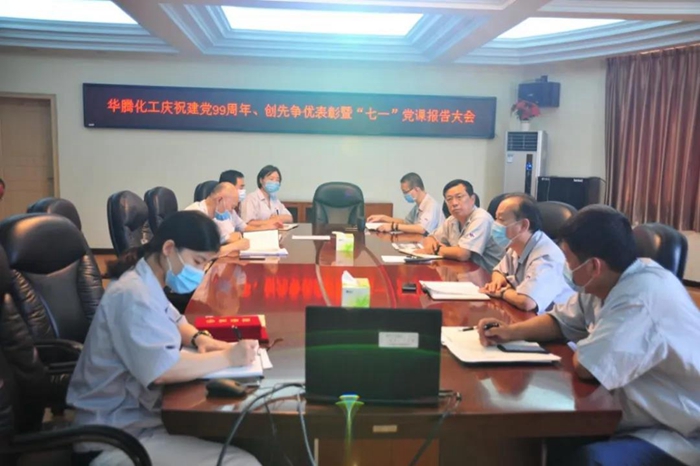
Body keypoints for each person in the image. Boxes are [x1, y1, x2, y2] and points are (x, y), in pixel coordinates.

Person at [477, 206, 700, 466]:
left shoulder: (642, 298)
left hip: (678, 431)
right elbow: (560, 320)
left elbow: (587, 367)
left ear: (593, 266)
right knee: (543, 438)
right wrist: (509, 332)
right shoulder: (608, 280)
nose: (566, 266)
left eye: (568, 259)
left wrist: (584, 344)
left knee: (590, 460)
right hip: (631, 412)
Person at [67, 211, 261, 465]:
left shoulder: (146, 281)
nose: (200, 271)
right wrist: (228, 357)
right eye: (197, 261)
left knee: (242, 441)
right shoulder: (132, 294)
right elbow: (163, 368)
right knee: (242, 462)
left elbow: (176, 320)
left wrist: (200, 338)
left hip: (140, 423)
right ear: (169, 248)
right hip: (115, 440)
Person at [480, 195, 573, 313]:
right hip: (525, 315)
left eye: (501, 220)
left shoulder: (546, 256)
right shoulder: (516, 245)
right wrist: (497, 282)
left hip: (552, 321)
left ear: (523, 225)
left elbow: (527, 302)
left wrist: (503, 292)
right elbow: (498, 271)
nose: (495, 225)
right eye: (496, 218)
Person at [418, 179, 504, 270]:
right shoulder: (452, 220)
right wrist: (431, 245)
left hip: (488, 275)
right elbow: (430, 238)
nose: (454, 203)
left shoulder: (481, 218)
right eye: (449, 199)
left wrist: (437, 249)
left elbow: (463, 254)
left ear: (472, 199)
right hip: (464, 271)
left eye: (459, 197)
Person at [184, 182, 251, 256]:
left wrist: (228, 239)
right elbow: (203, 254)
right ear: (219, 200)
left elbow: (220, 240)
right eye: (232, 207)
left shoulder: (213, 217)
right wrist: (235, 246)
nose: (231, 211)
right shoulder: (195, 216)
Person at [367, 172, 444, 235]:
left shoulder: (431, 205)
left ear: (416, 189)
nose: (405, 195)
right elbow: (406, 222)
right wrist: (383, 218)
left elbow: (422, 229)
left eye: (406, 192)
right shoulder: (418, 205)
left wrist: (393, 226)